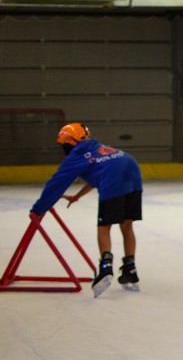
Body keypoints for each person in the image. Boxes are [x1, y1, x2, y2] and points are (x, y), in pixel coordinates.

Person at [29, 123, 143, 298]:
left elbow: (57, 183)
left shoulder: (77, 156)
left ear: (68, 142)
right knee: (127, 226)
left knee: (104, 226)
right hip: (133, 175)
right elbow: (100, 173)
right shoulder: (99, 148)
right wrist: (77, 196)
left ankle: (105, 268)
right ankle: (130, 269)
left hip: (115, 182)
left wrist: (39, 208)